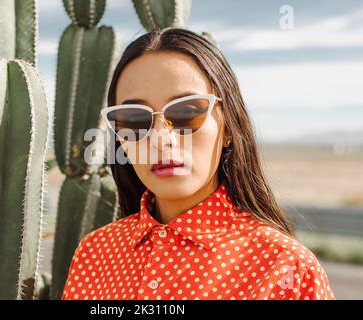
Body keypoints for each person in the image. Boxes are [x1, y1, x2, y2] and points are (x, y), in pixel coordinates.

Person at [61, 28, 335, 300]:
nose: (160, 139)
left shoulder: (286, 268)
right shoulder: (96, 253)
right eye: (134, 119)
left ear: (229, 127)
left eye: (186, 112)